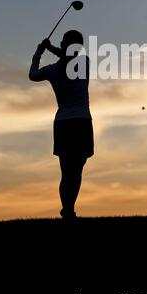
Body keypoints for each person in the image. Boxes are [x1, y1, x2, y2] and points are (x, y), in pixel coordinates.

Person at [28, 30, 94, 221]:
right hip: (81, 121)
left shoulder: (52, 70)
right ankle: (68, 210)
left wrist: (40, 52)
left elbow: (32, 74)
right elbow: (68, 56)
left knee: (67, 171)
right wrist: (50, 49)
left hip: (63, 123)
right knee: (75, 171)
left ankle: (68, 210)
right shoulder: (84, 62)